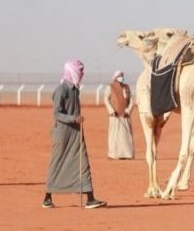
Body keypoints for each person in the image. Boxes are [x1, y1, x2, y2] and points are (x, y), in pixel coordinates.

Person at [43, 60, 107, 209]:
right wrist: (73, 118)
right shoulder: (61, 90)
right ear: (71, 71)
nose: (82, 74)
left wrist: (76, 121)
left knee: (83, 162)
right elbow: (57, 113)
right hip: (63, 134)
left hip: (76, 133)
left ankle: (90, 198)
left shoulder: (75, 90)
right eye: (79, 70)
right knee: (57, 163)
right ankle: (47, 197)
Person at [103, 70, 135, 159]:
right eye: (120, 76)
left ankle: (127, 154)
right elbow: (106, 99)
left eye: (122, 76)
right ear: (116, 78)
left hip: (125, 116)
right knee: (114, 136)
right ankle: (113, 155)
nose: (122, 77)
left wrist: (128, 111)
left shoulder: (126, 87)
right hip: (115, 116)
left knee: (126, 136)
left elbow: (131, 100)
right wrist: (111, 111)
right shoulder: (110, 87)